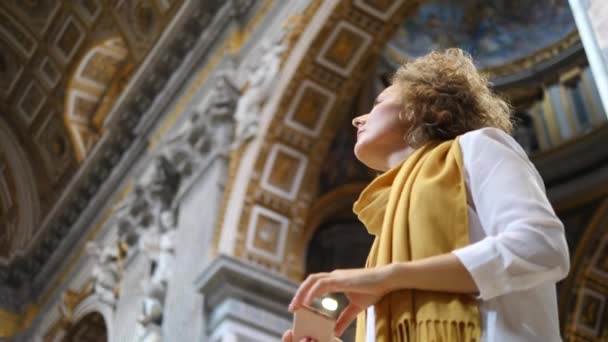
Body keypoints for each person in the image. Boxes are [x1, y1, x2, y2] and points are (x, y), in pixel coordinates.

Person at [282, 48, 570, 341]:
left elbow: (542, 247)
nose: (358, 119)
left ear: (420, 105)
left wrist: (391, 277)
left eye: (378, 102)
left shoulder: (478, 147)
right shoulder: (388, 235)